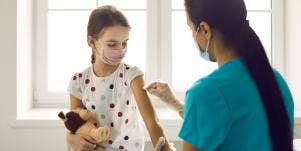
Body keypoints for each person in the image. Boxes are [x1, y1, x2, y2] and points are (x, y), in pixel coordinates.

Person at [145, 0, 294, 150]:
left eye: (190, 28)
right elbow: (233, 123)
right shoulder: (275, 81)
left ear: (204, 29)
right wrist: (173, 102)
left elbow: (217, 111)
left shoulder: (206, 92)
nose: (192, 35)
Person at [66, 5, 171, 151]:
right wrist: (71, 138)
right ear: (91, 42)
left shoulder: (132, 75)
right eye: (112, 44)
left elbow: (152, 122)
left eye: (124, 43)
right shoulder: (78, 81)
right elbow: (75, 125)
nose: (120, 50)